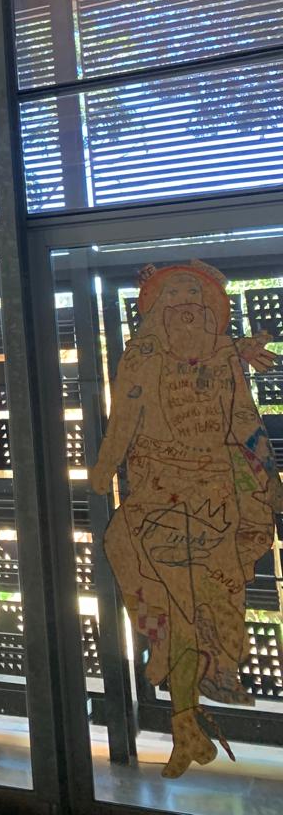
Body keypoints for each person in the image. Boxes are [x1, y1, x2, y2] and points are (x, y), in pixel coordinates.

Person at [91, 260, 283, 778]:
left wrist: (268, 479)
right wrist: (105, 467)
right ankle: (175, 677)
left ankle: (187, 719)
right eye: (172, 298)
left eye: (193, 297)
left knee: (202, 609)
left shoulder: (224, 358)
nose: (184, 307)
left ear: (208, 308)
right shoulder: (142, 357)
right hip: (157, 491)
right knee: (127, 552)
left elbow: (244, 420)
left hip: (215, 496)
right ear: (157, 310)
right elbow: (124, 417)